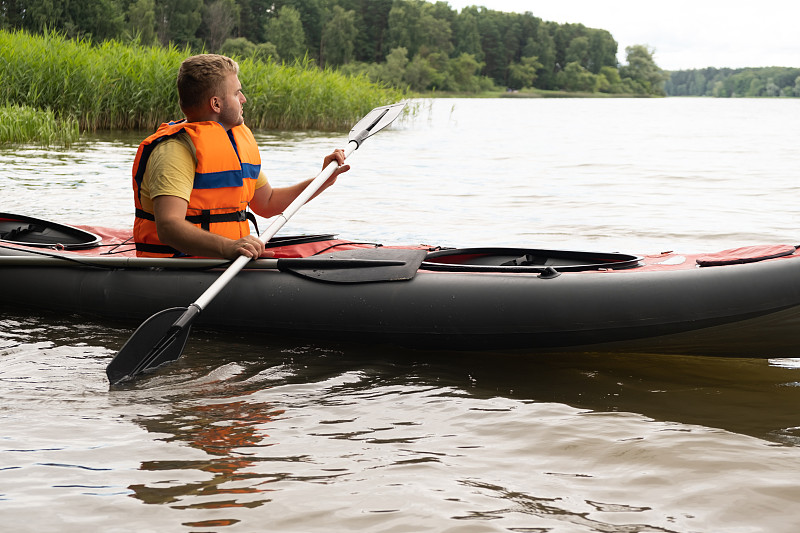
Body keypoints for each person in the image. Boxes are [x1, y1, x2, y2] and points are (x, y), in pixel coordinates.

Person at [132, 53, 349, 259]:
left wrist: (322, 181)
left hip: (228, 261)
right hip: (181, 267)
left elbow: (267, 203)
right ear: (216, 103)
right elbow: (169, 227)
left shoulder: (232, 141)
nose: (243, 99)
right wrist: (229, 247)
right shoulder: (174, 151)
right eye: (236, 93)